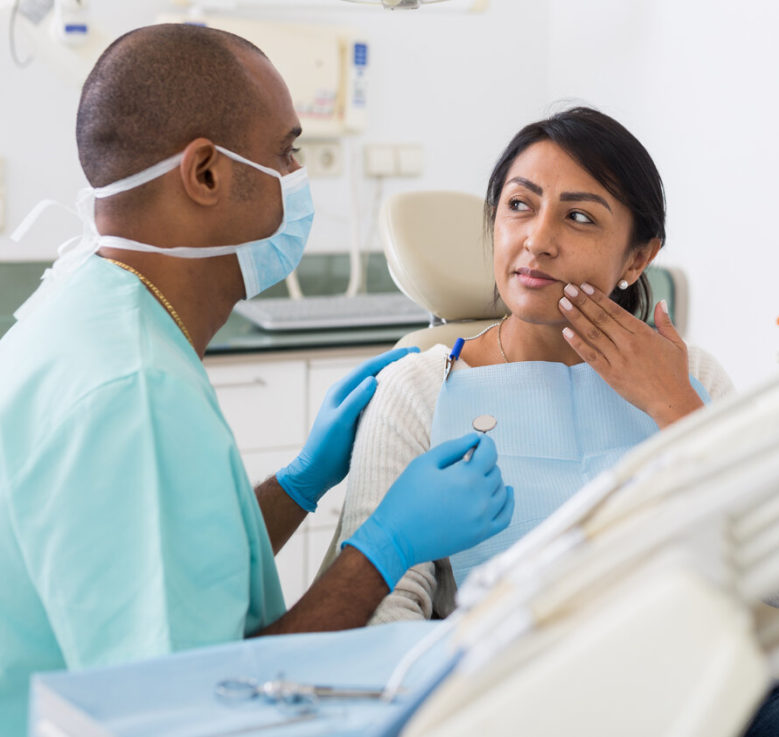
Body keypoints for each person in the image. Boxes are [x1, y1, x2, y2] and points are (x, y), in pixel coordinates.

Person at [320, 107, 779, 736]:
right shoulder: (420, 387)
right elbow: (383, 617)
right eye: (519, 206)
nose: (538, 239)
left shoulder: (691, 376)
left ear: (638, 257)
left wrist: (677, 409)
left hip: (712, 703)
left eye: (578, 216)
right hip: (514, 707)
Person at [0, 24, 512, 735]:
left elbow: (173, 564)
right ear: (206, 173)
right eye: (287, 152)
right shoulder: (131, 388)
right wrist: (387, 547)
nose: (300, 176)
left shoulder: (98, 308)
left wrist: (300, 482)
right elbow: (205, 702)